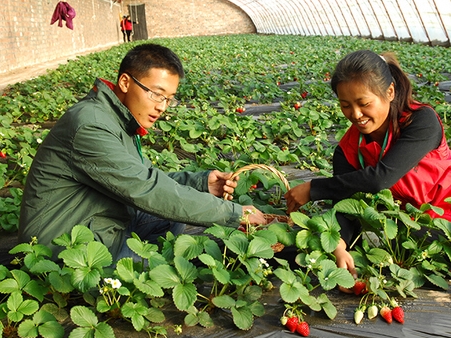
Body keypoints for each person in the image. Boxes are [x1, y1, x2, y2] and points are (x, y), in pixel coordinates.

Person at [19, 43, 266, 261]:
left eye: (169, 99)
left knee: (174, 213)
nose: (161, 107)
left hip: (100, 220)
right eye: (156, 94)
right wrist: (232, 213)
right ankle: (135, 268)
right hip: (64, 246)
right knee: (160, 267)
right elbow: (145, 188)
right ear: (125, 82)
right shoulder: (91, 125)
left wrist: (201, 183)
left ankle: (142, 260)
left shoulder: (117, 117)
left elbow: (146, 178)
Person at [284, 50, 451, 289]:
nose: (355, 115)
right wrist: (338, 244)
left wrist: (314, 188)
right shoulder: (348, 148)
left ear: (389, 92)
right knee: (309, 250)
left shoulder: (421, 121)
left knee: (390, 240)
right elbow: (347, 203)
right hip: (402, 221)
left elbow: (382, 178)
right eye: (345, 105)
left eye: (364, 103)